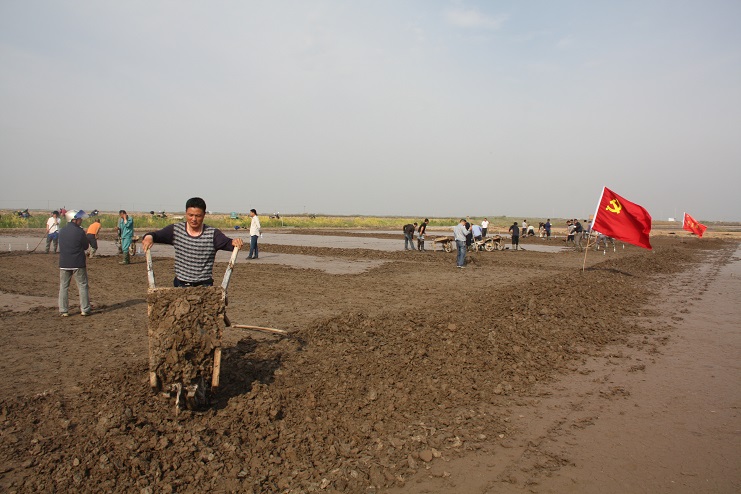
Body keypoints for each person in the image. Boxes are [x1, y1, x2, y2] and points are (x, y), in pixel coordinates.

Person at [141, 197, 244, 287]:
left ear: (204, 215)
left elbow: (229, 244)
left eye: (198, 216)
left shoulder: (213, 234)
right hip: (181, 284)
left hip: (204, 286)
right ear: (186, 213)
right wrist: (149, 237)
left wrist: (236, 242)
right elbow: (156, 235)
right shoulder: (176, 230)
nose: (194, 219)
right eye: (190, 215)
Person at [58, 210, 91, 317]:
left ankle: (63, 310)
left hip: (64, 263)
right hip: (78, 262)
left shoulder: (62, 231)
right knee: (82, 286)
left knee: (63, 287)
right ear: (74, 220)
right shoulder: (80, 232)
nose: (81, 220)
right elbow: (86, 246)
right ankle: (85, 309)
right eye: (79, 219)